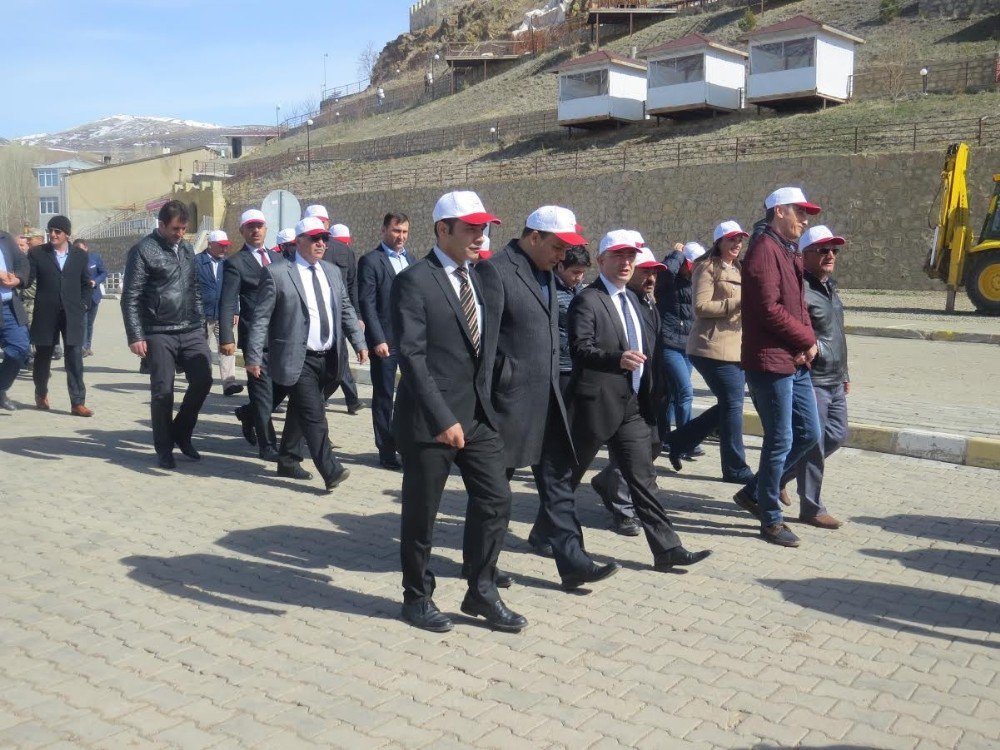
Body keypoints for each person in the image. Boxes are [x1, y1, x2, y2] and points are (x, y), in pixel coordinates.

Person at [392, 190, 526, 634]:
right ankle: (417, 596)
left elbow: (491, 345)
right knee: (421, 513)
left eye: (484, 227)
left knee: (496, 498)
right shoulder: (414, 280)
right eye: (471, 227)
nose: (480, 235)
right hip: (431, 419)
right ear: (442, 229)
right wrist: (442, 418)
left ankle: (481, 590)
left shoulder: (484, 278)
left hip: (479, 416)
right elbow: (411, 358)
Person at [565, 230, 712, 571]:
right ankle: (546, 532)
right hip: (595, 405)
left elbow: (652, 351)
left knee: (643, 479)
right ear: (602, 260)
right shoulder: (588, 299)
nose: (626, 262)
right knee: (568, 477)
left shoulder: (635, 300)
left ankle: (667, 549)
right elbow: (579, 348)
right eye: (618, 256)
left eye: (631, 256)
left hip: (631, 406)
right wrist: (615, 359)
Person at [492, 206, 620, 590]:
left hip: (549, 396)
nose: (564, 255)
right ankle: (482, 561)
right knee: (496, 491)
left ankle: (574, 561)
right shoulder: (496, 271)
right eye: (559, 245)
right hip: (508, 401)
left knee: (558, 479)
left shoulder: (547, 272)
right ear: (534, 237)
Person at [246, 217, 367, 490]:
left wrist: (358, 342)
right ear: (298, 241)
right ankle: (330, 469)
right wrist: (253, 356)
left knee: (301, 410)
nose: (321, 243)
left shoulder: (332, 272)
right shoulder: (278, 273)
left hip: (329, 356)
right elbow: (261, 319)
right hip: (296, 358)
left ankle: (288, 459)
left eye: (324, 238)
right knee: (314, 413)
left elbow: (346, 309)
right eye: (314, 238)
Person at [736, 187, 823, 548]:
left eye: (807, 214)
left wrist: (803, 343)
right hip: (770, 362)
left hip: (791, 358)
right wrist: (804, 339)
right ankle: (770, 518)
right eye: (799, 213)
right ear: (779, 212)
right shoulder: (763, 251)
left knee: (810, 434)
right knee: (780, 439)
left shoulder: (786, 250)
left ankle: (756, 491)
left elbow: (796, 306)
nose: (804, 220)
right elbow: (769, 309)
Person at [121, 201, 213, 469]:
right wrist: (135, 335)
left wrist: (199, 324)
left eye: (184, 228)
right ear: (160, 224)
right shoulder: (143, 251)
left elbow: (194, 288)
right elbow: (130, 296)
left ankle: (181, 432)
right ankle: (164, 448)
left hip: (190, 328)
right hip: (158, 330)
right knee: (163, 392)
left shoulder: (186, 249)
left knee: (204, 379)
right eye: (175, 228)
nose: (181, 233)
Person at [664, 221, 754, 484]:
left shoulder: (740, 268)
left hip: (736, 348)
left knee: (729, 405)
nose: (736, 244)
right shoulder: (706, 267)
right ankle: (735, 468)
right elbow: (701, 307)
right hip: (710, 346)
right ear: (719, 242)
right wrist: (738, 302)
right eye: (731, 240)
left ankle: (679, 439)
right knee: (733, 404)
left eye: (739, 240)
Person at [590, 245, 666, 536]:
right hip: (618, 394)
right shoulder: (617, 302)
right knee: (630, 455)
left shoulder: (646, 303)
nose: (650, 277)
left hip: (647, 392)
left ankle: (605, 483)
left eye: (654, 272)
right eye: (645, 271)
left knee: (652, 446)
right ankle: (622, 511)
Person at [779, 225, 850, 530]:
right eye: (823, 250)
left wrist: (845, 372)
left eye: (834, 250)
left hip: (835, 378)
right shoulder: (800, 290)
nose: (830, 255)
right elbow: (792, 330)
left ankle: (778, 475)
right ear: (804, 255)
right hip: (813, 377)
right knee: (815, 444)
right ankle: (812, 507)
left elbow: (837, 334)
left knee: (837, 435)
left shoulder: (830, 287)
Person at [220, 209, 283, 460]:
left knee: (284, 386)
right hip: (255, 338)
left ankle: (248, 413)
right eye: (250, 227)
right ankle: (267, 446)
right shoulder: (235, 263)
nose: (256, 231)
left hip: (282, 336)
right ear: (242, 231)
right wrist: (227, 336)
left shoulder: (278, 260)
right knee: (261, 391)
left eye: (259, 226)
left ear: (266, 229)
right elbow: (227, 302)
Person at [357, 212, 410, 470]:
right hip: (385, 342)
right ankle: (386, 449)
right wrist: (377, 339)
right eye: (396, 231)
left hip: (409, 339)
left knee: (411, 394)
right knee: (384, 396)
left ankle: (404, 442)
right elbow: (367, 303)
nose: (400, 236)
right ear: (384, 231)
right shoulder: (371, 261)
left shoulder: (410, 260)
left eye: (404, 232)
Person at [27, 216, 93, 417]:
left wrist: (83, 304)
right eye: (51, 231)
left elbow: (85, 284)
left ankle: (77, 403)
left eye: (58, 231)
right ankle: (41, 392)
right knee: (43, 357)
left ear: (67, 234)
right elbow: (27, 279)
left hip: (72, 314)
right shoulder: (37, 253)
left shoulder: (79, 256)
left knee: (74, 357)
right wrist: (15, 278)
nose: (53, 235)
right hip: (46, 313)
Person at [655, 240, 706, 458]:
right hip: (669, 344)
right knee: (685, 391)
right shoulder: (670, 282)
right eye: (691, 264)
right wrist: (676, 254)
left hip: (687, 345)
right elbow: (664, 274)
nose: (694, 269)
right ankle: (687, 441)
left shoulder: (697, 282)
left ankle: (666, 439)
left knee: (672, 394)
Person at [317, 214, 363, 416]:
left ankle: (327, 399)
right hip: (311, 322)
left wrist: (357, 318)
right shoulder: (300, 252)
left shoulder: (344, 253)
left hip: (337, 319)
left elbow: (352, 288)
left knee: (339, 364)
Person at [197, 230, 242, 397]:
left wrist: (236, 310)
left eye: (226, 246)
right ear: (210, 245)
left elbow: (233, 289)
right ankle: (203, 382)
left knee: (228, 348)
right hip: (203, 315)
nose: (225, 249)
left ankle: (229, 383)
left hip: (224, 315)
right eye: (221, 246)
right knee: (202, 350)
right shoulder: (197, 262)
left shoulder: (228, 264)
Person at [0, 230, 31, 410]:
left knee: (20, 347)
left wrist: (17, 278)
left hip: (9, 307)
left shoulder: (4, 238)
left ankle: (1, 387)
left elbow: (22, 262)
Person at [554, 245, 590, 394]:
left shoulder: (581, 290)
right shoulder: (549, 291)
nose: (579, 277)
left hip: (580, 364)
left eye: (582, 273)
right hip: (560, 367)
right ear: (561, 266)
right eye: (575, 272)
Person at [75, 239, 107, 358]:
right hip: (80, 296)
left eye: (81, 249)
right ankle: (82, 347)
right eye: (76, 249)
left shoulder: (95, 258)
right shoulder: (72, 261)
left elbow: (103, 273)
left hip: (94, 295)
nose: (79, 251)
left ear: (86, 248)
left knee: (89, 323)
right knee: (83, 322)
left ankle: (87, 346)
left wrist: (96, 281)